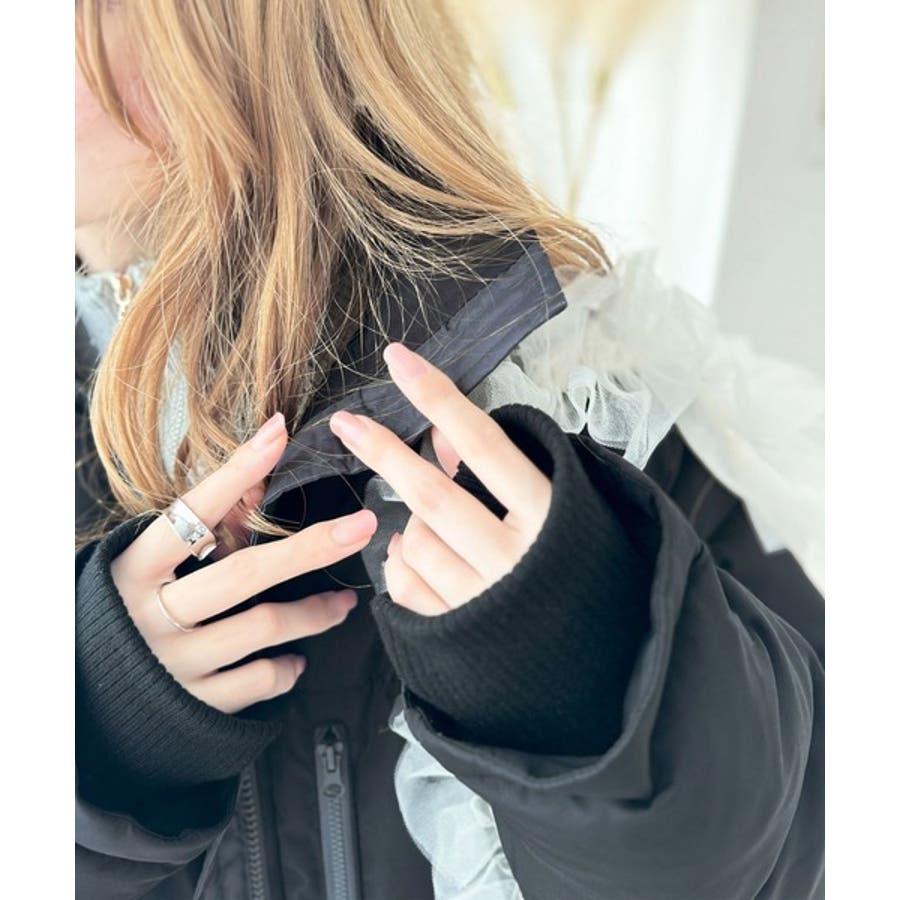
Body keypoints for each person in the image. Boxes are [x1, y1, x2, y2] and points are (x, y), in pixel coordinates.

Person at [74, 2, 824, 898]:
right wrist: (87, 727)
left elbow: (806, 838)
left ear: (213, 41)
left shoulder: (575, 380)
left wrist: (590, 689)